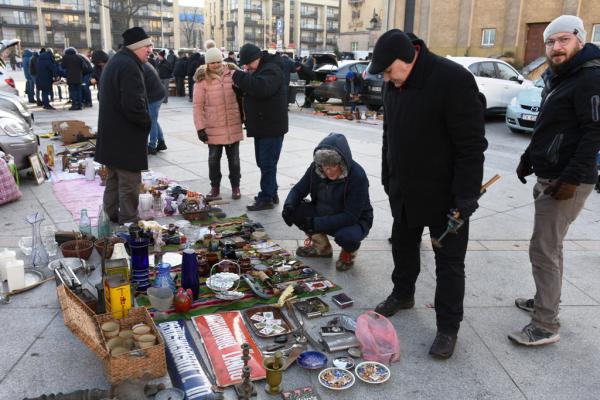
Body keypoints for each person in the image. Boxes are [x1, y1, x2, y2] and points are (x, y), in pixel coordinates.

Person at [370, 29, 487, 359]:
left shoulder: (453, 80)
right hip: (404, 189)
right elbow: (388, 133)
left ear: (409, 58)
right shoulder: (393, 81)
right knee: (404, 245)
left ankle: (448, 327)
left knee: (449, 263)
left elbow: (471, 145)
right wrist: (386, 174)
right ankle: (403, 293)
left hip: (445, 196)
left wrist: (465, 196)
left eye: (391, 72)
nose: (389, 80)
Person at [508, 15, 600, 346]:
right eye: (550, 42)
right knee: (551, 246)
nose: (556, 47)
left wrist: (572, 178)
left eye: (563, 40)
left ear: (579, 39)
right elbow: (550, 124)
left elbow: (594, 132)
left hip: (566, 181)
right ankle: (547, 299)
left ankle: (545, 323)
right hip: (551, 175)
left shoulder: (590, 78)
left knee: (543, 249)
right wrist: (528, 157)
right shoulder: (561, 76)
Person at [282, 133, 373, 270]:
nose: (328, 171)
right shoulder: (316, 169)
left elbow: (350, 216)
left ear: (341, 162)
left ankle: (348, 253)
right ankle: (322, 248)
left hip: (354, 220)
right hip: (324, 211)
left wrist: (315, 223)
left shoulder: (357, 176)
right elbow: (299, 189)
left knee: (347, 236)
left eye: (332, 166)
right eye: (325, 166)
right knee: (295, 210)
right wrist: (289, 205)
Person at [95, 27, 152, 224]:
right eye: (147, 46)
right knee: (129, 181)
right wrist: (146, 122)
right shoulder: (128, 65)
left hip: (113, 135)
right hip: (124, 136)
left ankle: (109, 215)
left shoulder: (118, 61)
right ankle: (128, 221)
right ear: (137, 47)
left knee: (114, 178)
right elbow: (133, 105)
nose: (150, 50)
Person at [232, 43, 288, 211]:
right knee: (265, 162)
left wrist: (238, 76)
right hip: (264, 125)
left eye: (249, 64)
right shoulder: (262, 69)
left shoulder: (272, 69)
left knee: (267, 163)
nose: (247, 67)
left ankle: (266, 198)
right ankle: (272, 192)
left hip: (271, 126)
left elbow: (261, 88)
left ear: (256, 58)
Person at [193, 48, 244, 201]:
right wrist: (200, 127)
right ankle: (215, 188)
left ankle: (236, 187)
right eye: (212, 62)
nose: (215, 65)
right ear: (207, 64)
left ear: (222, 60)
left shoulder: (233, 74)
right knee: (214, 158)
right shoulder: (202, 80)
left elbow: (243, 98)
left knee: (234, 160)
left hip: (232, 124)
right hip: (213, 126)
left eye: (217, 61)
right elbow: (197, 106)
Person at [143, 62, 168, 155]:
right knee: (153, 119)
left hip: (154, 97)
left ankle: (152, 146)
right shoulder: (145, 64)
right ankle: (161, 142)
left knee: (151, 121)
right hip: (158, 94)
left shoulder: (141, 66)